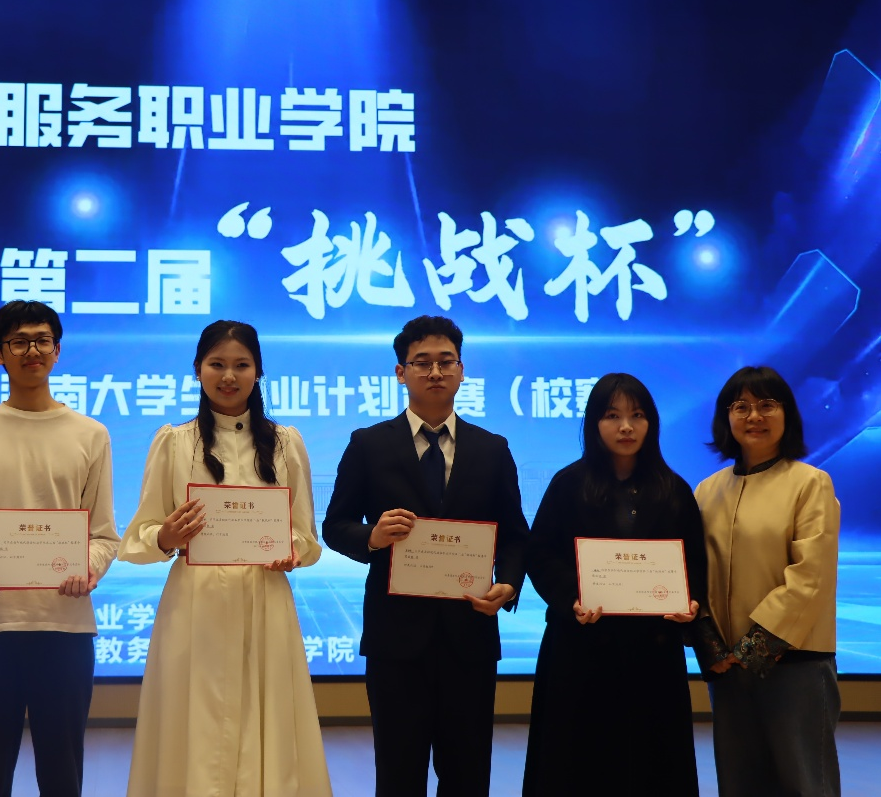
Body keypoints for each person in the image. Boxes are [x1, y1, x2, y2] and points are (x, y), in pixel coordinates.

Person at [119, 320, 331, 797]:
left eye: (242, 365)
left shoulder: (285, 442)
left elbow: (306, 536)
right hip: (195, 604)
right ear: (198, 370)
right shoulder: (174, 441)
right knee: (193, 721)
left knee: (268, 719)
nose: (229, 376)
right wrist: (166, 536)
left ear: (258, 371)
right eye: (217, 364)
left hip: (266, 599)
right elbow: (138, 536)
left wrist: (291, 552)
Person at [322, 314, 529, 797]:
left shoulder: (492, 449)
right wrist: (373, 537)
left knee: (468, 772)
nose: (435, 372)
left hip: (470, 636)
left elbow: (516, 536)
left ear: (461, 370)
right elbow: (335, 526)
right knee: (399, 773)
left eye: (445, 361)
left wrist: (508, 583)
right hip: (396, 639)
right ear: (401, 372)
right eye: (422, 362)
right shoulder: (368, 444)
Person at [0, 300, 120, 797]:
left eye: (42, 340)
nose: (32, 350)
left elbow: (104, 535)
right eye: (19, 341)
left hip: (65, 628)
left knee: (62, 775)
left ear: (57, 351)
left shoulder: (91, 434)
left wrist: (88, 568)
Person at [521, 373, 707, 797]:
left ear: (651, 423)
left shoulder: (674, 489)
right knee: (577, 764)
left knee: (653, 762)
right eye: (612, 415)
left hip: (653, 652)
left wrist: (691, 601)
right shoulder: (568, 484)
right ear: (593, 423)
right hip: (581, 646)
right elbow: (540, 554)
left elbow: (694, 561)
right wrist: (572, 598)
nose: (626, 427)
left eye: (637, 415)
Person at [695, 366, 841, 797]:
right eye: (741, 406)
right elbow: (693, 572)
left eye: (766, 405)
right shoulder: (706, 491)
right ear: (726, 418)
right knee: (739, 783)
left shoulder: (810, 483)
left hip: (795, 662)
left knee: (805, 784)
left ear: (787, 414)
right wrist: (710, 644)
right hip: (727, 668)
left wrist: (752, 648)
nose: (754, 416)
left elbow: (810, 576)